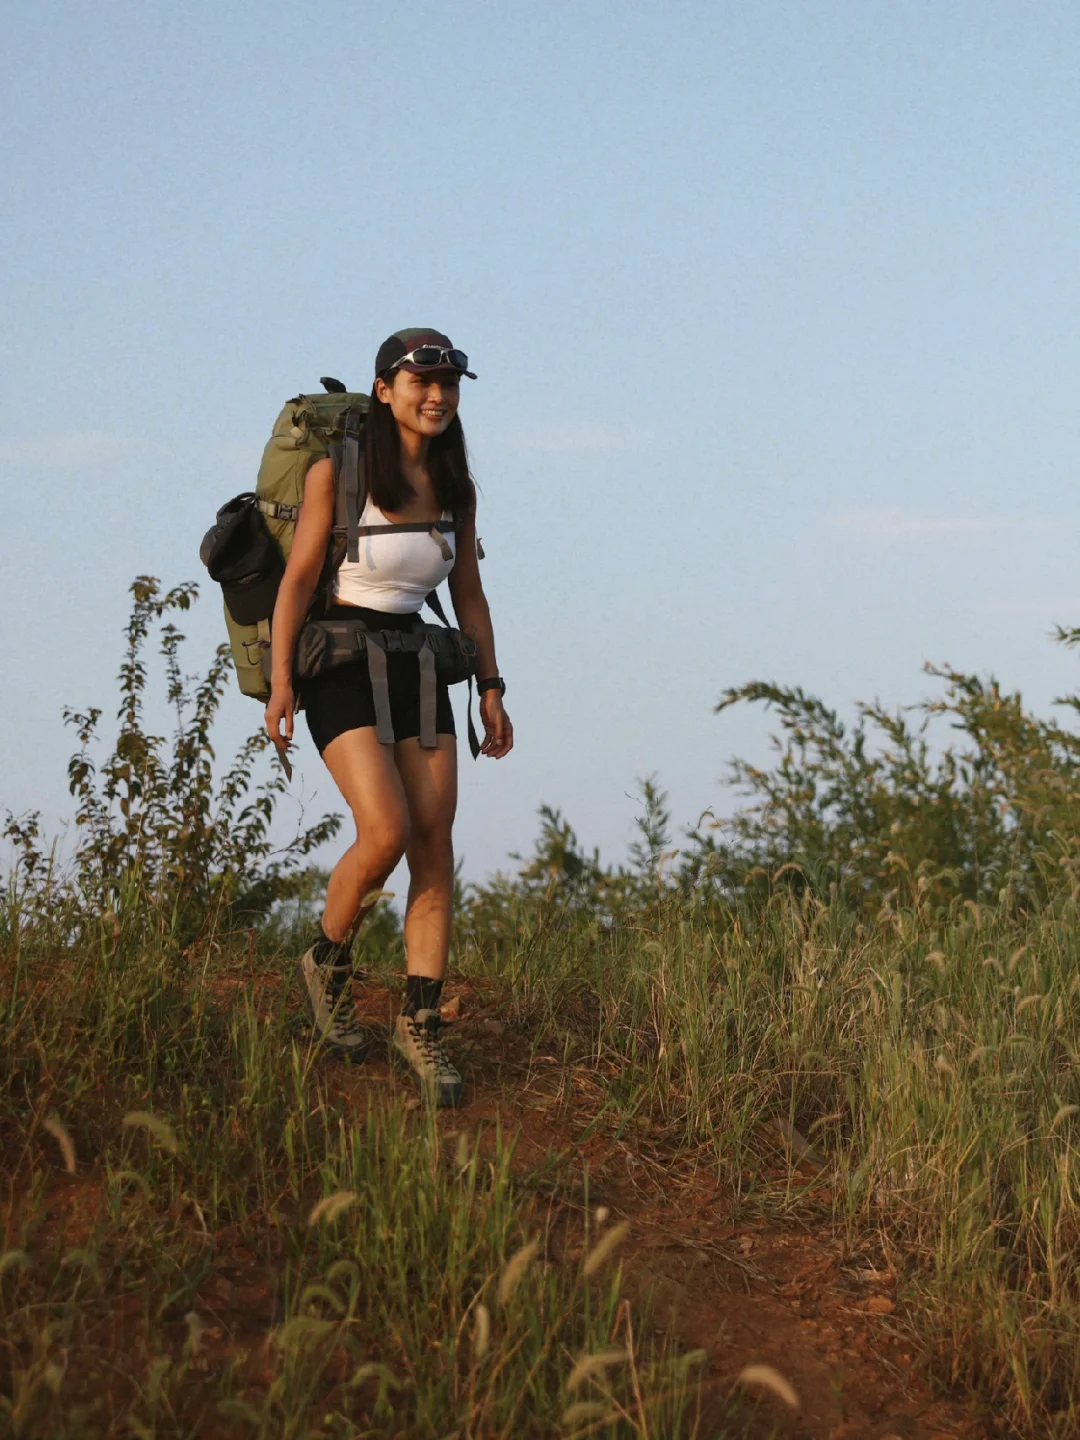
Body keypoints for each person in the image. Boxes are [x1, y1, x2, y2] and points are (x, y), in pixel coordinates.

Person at [264, 330, 513, 1106]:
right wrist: (279, 684)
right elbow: (300, 577)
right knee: (386, 831)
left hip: (420, 660)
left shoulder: (456, 488)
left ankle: (420, 1021)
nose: (437, 395)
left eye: (449, 384)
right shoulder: (336, 473)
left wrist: (492, 686)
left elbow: (467, 591)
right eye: (421, 382)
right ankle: (326, 962)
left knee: (434, 839)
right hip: (338, 660)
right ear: (384, 390)